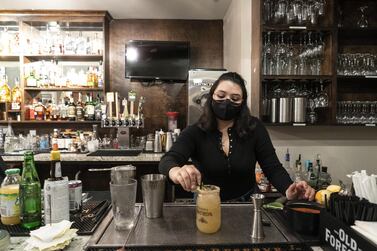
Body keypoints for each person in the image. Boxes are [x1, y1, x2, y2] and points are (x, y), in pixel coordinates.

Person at [159, 72, 315, 202]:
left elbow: (272, 168)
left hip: (247, 203)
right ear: (211, 97)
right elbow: (168, 160)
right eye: (221, 95)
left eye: (234, 99)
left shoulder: (254, 128)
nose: (226, 102)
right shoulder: (195, 131)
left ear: (242, 103)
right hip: (207, 203)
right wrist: (176, 171)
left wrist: (289, 189)